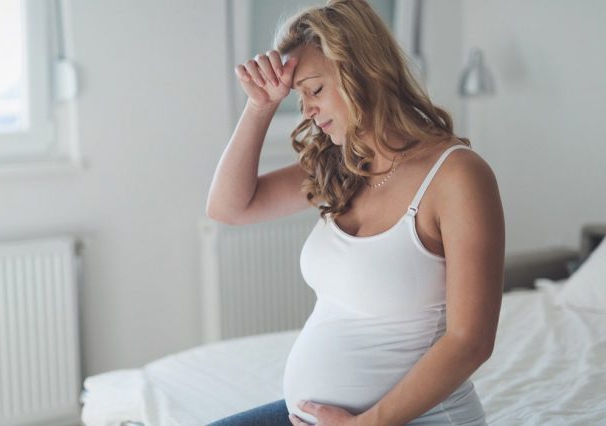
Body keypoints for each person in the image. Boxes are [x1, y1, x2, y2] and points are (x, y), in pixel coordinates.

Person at [205, 0, 505, 424]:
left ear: (361, 73)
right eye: (300, 96)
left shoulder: (457, 177)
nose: (306, 109)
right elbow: (228, 208)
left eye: (315, 90)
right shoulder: (342, 162)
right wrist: (259, 107)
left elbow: (470, 341)